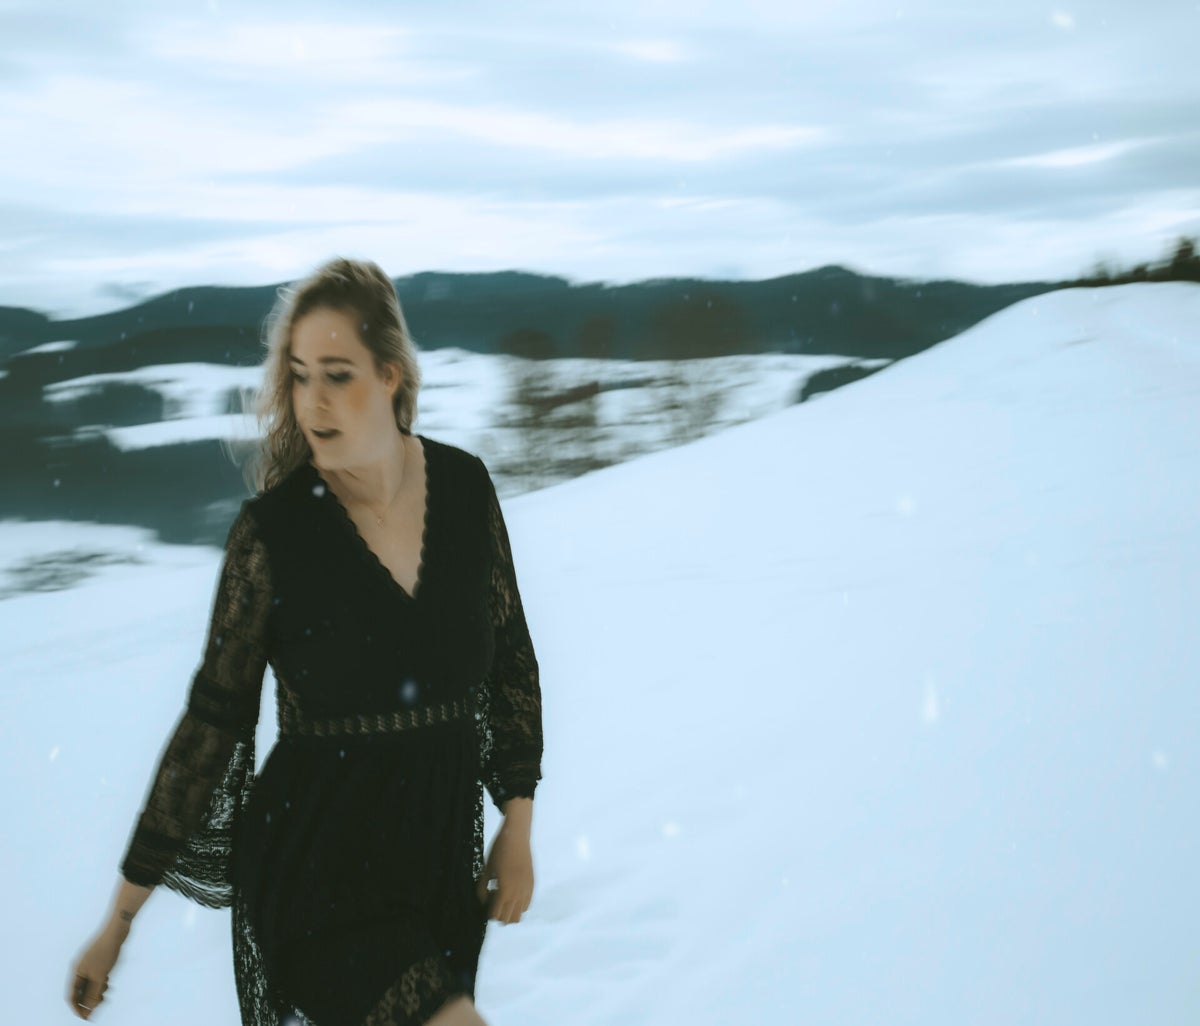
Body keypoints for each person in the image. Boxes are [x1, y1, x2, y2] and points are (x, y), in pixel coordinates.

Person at [66, 257, 544, 1026]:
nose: (312, 400)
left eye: (337, 375)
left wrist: (516, 824)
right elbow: (210, 728)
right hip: (320, 872)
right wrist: (118, 924)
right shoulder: (273, 537)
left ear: (389, 376)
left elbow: (510, 661)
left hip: (437, 862)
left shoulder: (465, 488)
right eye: (298, 377)